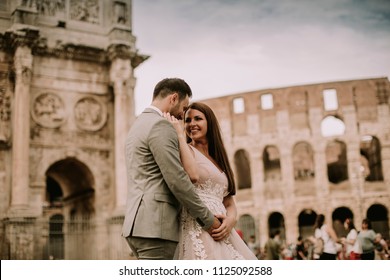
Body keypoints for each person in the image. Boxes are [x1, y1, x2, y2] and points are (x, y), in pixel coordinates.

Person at [121, 78, 223, 260]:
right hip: (156, 226)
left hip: (138, 224)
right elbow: (177, 180)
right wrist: (208, 220)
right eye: (184, 109)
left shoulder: (137, 125)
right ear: (173, 98)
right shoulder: (160, 125)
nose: (182, 115)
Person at [165, 102, 257, 259]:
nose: (192, 124)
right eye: (187, 120)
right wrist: (179, 135)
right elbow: (192, 175)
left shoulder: (219, 158)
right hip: (199, 228)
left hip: (224, 231)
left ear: (210, 122)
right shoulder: (186, 150)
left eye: (198, 119)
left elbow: (229, 202)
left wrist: (231, 220)